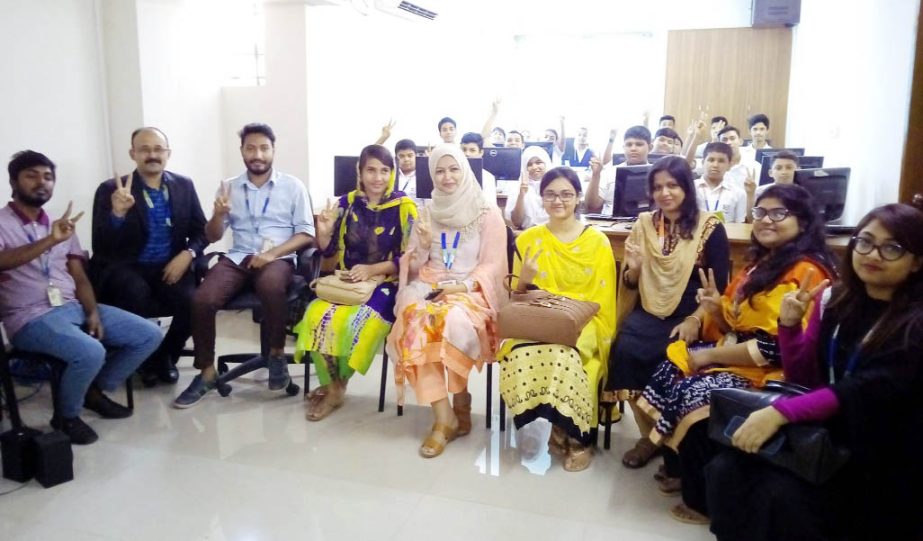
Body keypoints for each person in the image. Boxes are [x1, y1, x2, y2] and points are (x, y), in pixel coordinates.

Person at [707, 203, 923, 541]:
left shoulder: (914, 324)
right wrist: (790, 327)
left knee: (780, 496)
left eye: (892, 248)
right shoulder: (837, 300)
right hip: (825, 430)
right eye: (864, 242)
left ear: (917, 262)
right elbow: (805, 380)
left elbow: (863, 389)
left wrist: (780, 413)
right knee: (728, 470)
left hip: (880, 446)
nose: (873, 254)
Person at [636, 184, 835, 524]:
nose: (766, 220)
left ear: (802, 223)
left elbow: (775, 347)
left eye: (778, 213)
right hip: (737, 352)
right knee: (670, 366)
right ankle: (682, 468)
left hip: (773, 372)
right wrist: (714, 309)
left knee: (695, 393)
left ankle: (702, 500)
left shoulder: (806, 272)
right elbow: (734, 320)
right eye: (760, 212)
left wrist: (710, 358)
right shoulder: (762, 263)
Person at [0, 150, 161, 444]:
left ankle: (92, 391)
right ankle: (66, 415)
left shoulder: (62, 224)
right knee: (90, 351)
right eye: (31, 175)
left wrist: (93, 312)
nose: (41, 182)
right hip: (28, 317)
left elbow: (79, 276)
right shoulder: (4, 223)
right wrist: (50, 240)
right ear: (14, 181)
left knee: (149, 334)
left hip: (71, 306)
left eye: (48, 177)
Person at [172, 123, 315, 408]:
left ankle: (276, 356)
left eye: (263, 148)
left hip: (277, 258)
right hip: (238, 257)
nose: (257, 154)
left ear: (273, 151)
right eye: (251, 148)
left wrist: (272, 253)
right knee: (202, 299)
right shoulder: (229, 187)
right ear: (242, 152)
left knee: (271, 284)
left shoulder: (293, 186)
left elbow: (306, 233)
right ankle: (207, 373)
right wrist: (217, 215)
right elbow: (213, 236)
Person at [603, 156, 729, 474]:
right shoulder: (645, 224)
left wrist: (695, 319)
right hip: (648, 308)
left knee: (673, 358)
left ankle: (676, 441)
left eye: (672, 185)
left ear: (686, 186)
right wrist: (634, 270)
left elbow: (719, 288)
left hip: (691, 310)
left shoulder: (709, 227)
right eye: (657, 187)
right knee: (624, 350)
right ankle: (650, 438)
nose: (665, 193)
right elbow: (631, 283)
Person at [386, 144, 507, 458]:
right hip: (429, 283)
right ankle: (445, 416)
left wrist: (462, 286)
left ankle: (461, 397)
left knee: (448, 320)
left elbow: (493, 264)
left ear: (465, 170)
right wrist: (423, 247)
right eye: (439, 170)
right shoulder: (426, 212)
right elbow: (412, 266)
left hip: (470, 290)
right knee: (415, 319)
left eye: (454, 169)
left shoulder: (487, 212)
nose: (447, 177)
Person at [498, 167, 617, 471]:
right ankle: (554, 423)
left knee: (568, 354)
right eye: (550, 194)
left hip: (586, 319)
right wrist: (523, 280)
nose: (558, 200)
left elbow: (602, 300)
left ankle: (579, 436)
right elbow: (517, 295)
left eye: (566, 194)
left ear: (578, 198)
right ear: (542, 198)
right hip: (540, 317)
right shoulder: (528, 239)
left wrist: (573, 313)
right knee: (522, 349)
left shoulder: (598, 242)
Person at [294, 145, 417, 420]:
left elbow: (411, 257)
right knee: (316, 314)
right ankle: (332, 384)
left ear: (392, 173)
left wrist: (373, 269)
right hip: (346, 280)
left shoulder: (404, 206)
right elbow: (328, 255)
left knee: (356, 320)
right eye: (371, 170)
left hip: (387, 282)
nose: (378, 177)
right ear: (360, 172)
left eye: (385, 171)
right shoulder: (345, 204)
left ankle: (337, 386)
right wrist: (323, 235)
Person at [90, 127, 207, 387]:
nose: (152, 155)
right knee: (134, 292)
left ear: (168, 153)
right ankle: (141, 357)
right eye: (144, 149)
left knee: (193, 301)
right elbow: (101, 245)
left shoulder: (184, 185)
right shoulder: (111, 189)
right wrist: (117, 215)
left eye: (158, 149)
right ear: (133, 153)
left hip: (170, 265)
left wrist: (188, 254)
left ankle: (165, 357)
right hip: (128, 268)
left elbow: (201, 231)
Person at [587, 125, 652, 215]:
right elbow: (592, 205)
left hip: (648, 225)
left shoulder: (658, 173)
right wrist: (596, 175)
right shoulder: (609, 172)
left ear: (650, 147)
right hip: (611, 226)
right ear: (623, 147)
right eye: (629, 145)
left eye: (639, 144)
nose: (633, 148)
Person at [694, 142, 751, 224]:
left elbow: (740, 225)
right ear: (703, 162)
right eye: (711, 160)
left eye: (721, 161)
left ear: (729, 165)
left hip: (728, 236)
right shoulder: (691, 188)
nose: (715, 165)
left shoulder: (738, 193)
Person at [505, 145, 551, 230]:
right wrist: (521, 195)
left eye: (538, 162)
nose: (534, 167)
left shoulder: (555, 185)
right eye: (529, 164)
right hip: (526, 234)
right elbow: (516, 222)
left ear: (546, 163)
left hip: (552, 234)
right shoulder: (518, 187)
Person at [717, 126, 761, 193]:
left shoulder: (754, 166)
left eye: (732, 138)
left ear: (740, 141)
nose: (729, 142)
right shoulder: (716, 166)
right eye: (724, 140)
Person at [460, 132, 497, 203]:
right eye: (464, 150)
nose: (467, 154)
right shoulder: (452, 174)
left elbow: (490, 206)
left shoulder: (488, 177)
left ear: (481, 153)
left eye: (472, 150)